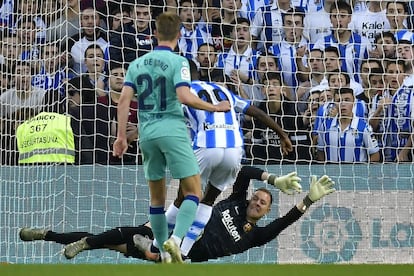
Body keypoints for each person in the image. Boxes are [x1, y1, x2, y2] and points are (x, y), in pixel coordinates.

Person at [19, 166, 335, 262]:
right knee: (120, 235)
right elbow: (245, 172)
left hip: (183, 253)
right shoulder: (236, 202)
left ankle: (68, 239)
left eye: (264, 203)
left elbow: (288, 220)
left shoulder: (259, 235)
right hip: (176, 229)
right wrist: (272, 180)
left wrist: (308, 198)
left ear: (265, 212)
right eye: (257, 198)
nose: (258, 202)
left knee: (121, 239)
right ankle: (52, 236)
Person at [112, 12, 230, 264]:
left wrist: (121, 136)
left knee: (157, 199)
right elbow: (185, 97)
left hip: (147, 134)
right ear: (179, 35)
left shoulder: (137, 64)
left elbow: (123, 101)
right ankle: (175, 241)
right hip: (173, 131)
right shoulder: (180, 62)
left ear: (155, 34)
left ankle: (163, 254)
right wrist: (214, 108)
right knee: (194, 193)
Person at [156, 61, 293, 259]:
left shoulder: (181, 93)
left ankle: (162, 245)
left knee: (184, 198)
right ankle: (183, 253)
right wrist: (282, 134)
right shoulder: (222, 90)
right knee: (208, 200)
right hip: (234, 150)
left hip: (207, 146)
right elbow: (256, 112)